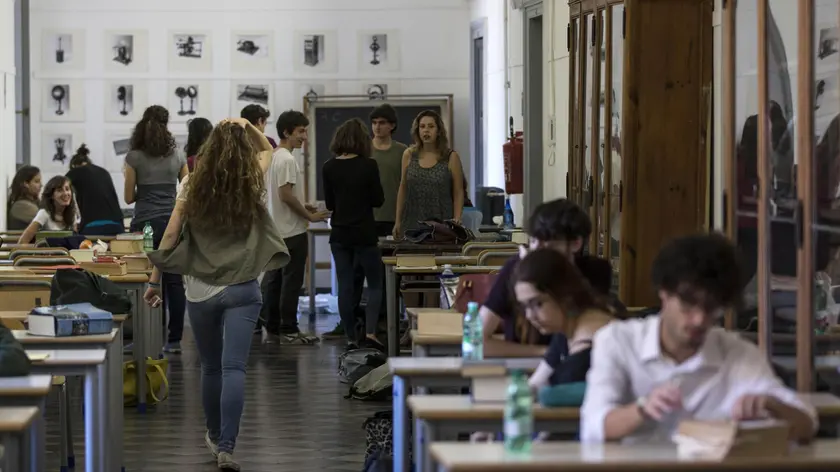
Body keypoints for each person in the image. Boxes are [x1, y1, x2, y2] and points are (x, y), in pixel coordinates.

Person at [144, 118, 289, 471]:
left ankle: (212, 433)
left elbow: (170, 236)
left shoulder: (191, 185)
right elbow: (269, 149)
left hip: (200, 289)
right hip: (242, 286)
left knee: (210, 367)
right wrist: (246, 126)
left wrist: (153, 280)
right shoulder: (253, 180)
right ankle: (227, 445)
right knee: (234, 367)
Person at [580, 233, 817, 444]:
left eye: (711, 308)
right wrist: (642, 407)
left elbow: (808, 423)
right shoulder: (618, 341)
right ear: (664, 292)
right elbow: (593, 427)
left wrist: (771, 405)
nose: (699, 320)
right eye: (688, 304)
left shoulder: (736, 353)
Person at [479, 199, 613, 357]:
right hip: (522, 366)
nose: (536, 249)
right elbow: (477, 341)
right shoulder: (515, 269)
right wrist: (546, 353)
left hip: (576, 365)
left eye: (546, 242)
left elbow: (588, 328)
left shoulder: (595, 271)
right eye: (533, 240)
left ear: (576, 243)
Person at [259, 110, 328, 344]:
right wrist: (310, 215)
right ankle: (289, 327)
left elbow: (281, 195)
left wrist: (302, 203)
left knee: (275, 281)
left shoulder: (274, 155)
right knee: (291, 281)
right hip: (292, 231)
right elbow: (285, 195)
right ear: (287, 132)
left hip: (276, 229)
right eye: (301, 131)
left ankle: (274, 325)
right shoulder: (288, 158)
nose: (305, 136)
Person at [124, 105, 189, 353]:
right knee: (174, 280)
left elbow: (129, 197)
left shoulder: (133, 157)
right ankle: (174, 340)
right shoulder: (178, 156)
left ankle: (152, 337)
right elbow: (186, 189)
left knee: (149, 278)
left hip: (146, 228)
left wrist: (147, 190)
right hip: (173, 224)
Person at [323, 118, 385, 350]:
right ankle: (370, 332)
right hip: (365, 233)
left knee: (346, 286)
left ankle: (350, 335)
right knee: (376, 284)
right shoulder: (369, 165)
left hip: (339, 233)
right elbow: (378, 200)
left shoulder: (328, 167)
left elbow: (330, 203)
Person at [513, 248, 615, 391]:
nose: (529, 316)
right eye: (525, 306)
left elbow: (550, 394)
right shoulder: (565, 329)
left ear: (565, 295)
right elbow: (534, 385)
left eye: (537, 304)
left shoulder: (591, 345)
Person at [393, 110, 464, 238]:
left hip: (441, 223)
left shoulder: (450, 157)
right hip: (412, 222)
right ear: (417, 130)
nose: (426, 130)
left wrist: (457, 218)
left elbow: (458, 191)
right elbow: (403, 188)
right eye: (422, 127)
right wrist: (397, 221)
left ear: (438, 131)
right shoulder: (409, 155)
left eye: (431, 126)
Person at [66, 144, 124, 236]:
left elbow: (59, 189)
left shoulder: (74, 172)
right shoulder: (104, 172)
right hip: (117, 226)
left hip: (92, 227)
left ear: (74, 166)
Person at [18, 176, 80, 244]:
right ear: (51, 195)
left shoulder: (72, 213)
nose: (65, 193)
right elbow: (23, 241)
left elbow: (74, 241)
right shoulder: (44, 213)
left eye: (67, 189)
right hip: (45, 253)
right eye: (59, 190)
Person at [7, 166, 42, 230]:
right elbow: (48, 222)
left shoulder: (32, 202)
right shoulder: (21, 206)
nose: (41, 185)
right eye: (37, 181)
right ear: (26, 184)